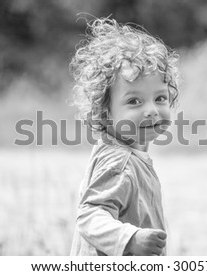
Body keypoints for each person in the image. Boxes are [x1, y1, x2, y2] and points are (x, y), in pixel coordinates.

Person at [69, 17, 180, 256]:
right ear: (105, 112)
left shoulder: (121, 153)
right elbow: (90, 215)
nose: (151, 109)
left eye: (160, 98)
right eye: (134, 101)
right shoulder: (120, 161)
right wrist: (129, 239)